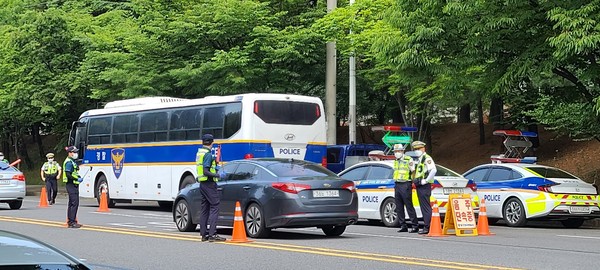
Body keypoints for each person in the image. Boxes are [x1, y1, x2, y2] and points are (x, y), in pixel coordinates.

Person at [196, 134, 225, 242]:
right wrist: (218, 175)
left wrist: (215, 166)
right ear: (211, 143)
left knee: (205, 209)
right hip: (209, 184)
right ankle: (212, 234)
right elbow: (206, 171)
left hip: (203, 184)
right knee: (215, 206)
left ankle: (204, 234)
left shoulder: (200, 152)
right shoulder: (208, 154)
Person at [412, 141, 437, 235]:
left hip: (424, 185)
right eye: (415, 149)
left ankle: (428, 226)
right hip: (420, 185)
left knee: (425, 207)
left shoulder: (427, 158)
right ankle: (428, 225)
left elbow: (433, 170)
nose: (417, 151)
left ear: (423, 149)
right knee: (423, 206)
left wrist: (426, 180)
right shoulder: (420, 159)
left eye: (418, 149)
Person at [392, 144, 418, 233]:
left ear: (402, 151)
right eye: (395, 151)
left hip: (406, 184)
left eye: (398, 151)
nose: (397, 153)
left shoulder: (408, 159)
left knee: (409, 205)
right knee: (399, 206)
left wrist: (412, 182)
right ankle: (403, 225)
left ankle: (415, 225)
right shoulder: (396, 161)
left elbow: (413, 171)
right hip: (397, 184)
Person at [63, 146, 82, 228]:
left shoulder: (72, 161)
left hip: (73, 184)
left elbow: (73, 172)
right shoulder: (69, 162)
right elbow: (68, 174)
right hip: (71, 184)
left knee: (72, 203)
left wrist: (78, 176)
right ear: (70, 153)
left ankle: (71, 221)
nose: (76, 154)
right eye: (74, 152)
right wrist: (77, 178)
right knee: (74, 203)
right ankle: (72, 222)